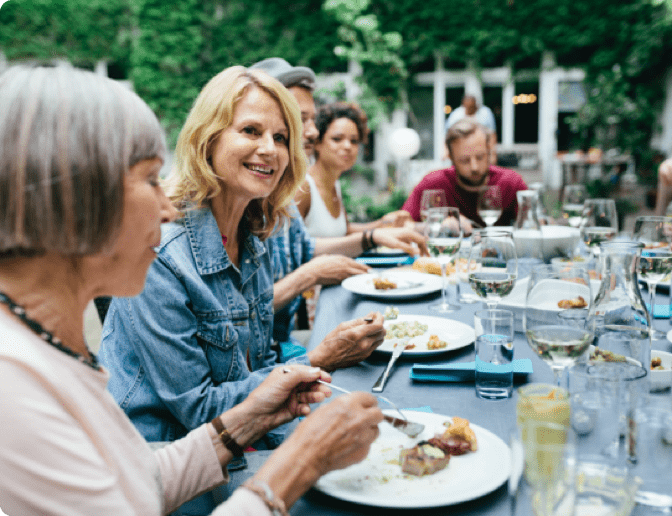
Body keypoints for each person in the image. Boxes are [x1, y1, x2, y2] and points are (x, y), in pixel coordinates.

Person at [0, 64, 383, 516]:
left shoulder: (49, 348)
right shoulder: (15, 384)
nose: (167, 206)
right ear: (78, 195)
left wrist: (253, 415)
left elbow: (142, 479)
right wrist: (300, 462)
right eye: (149, 178)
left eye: (282, 138)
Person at [98, 66, 386, 472]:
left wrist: (312, 367)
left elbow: (260, 362)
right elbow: (199, 411)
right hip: (160, 462)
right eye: (251, 131)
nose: (270, 149)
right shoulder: (162, 255)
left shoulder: (252, 239)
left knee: (377, 438)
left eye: (281, 138)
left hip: (240, 440)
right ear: (208, 139)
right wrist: (317, 360)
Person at [250, 58, 428, 356]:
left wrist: (375, 234)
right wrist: (311, 275)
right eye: (300, 119)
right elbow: (239, 314)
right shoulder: (280, 194)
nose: (312, 132)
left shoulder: (280, 198)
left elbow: (306, 247)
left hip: (278, 346)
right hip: (272, 352)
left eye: (312, 120)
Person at [295, 101, 412, 237]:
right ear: (317, 143)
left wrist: (383, 223)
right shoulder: (303, 188)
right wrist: (373, 236)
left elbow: (343, 232)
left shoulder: (334, 185)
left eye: (354, 141)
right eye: (337, 139)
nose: (347, 146)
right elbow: (294, 247)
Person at [402, 118, 528, 229]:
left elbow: (533, 224)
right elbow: (403, 224)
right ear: (450, 157)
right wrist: (439, 226)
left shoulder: (510, 182)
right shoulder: (433, 184)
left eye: (480, 157)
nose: (474, 167)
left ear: (489, 151)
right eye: (464, 160)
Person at [444, 95, 497, 164]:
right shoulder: (456, 115)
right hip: (462, 149)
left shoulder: (485, 113)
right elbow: (448, 135)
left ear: (476, 105)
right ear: (463, 106)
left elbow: (492, 134)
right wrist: (446, 151)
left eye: (472, 107)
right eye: (467, 107)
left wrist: (493, 153)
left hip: (481, 148)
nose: (469, 109)